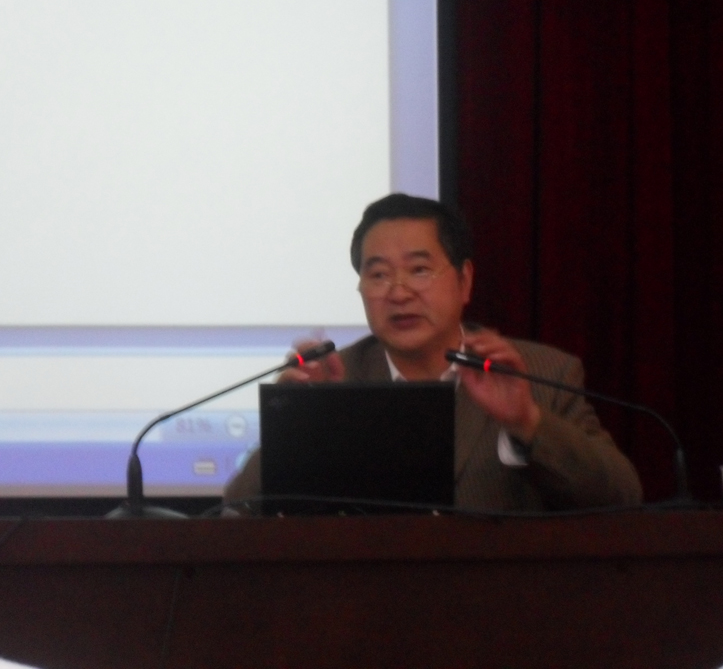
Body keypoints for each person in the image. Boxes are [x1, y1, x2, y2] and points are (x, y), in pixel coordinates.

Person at [224, 193, 642, 511]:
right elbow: (237, 512)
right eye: (379, 274)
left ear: (464, 281)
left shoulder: (539, 373)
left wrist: (526, 421)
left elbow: (622, 496)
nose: (399, 292)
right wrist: (295, 424)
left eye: (419, 270)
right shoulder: (335, 378)